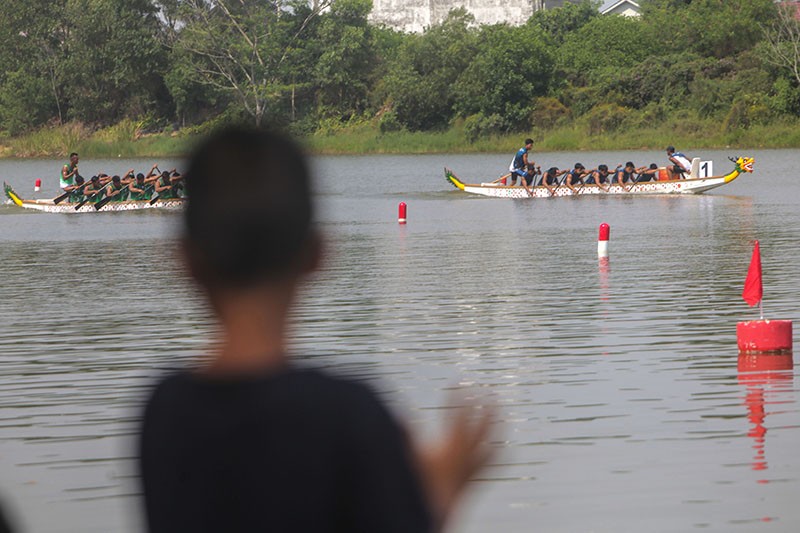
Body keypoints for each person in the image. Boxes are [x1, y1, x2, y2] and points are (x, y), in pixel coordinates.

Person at [139, 126, 494, 533]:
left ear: (184, 260)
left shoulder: (164, 410)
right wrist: (444, 487)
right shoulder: (350, 412)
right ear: (318, 255)